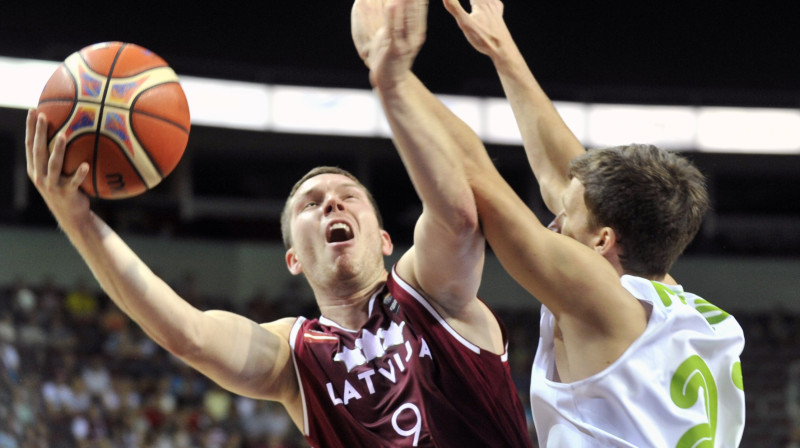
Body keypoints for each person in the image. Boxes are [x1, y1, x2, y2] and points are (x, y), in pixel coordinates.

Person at [24, 6, 531, 446]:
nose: (332, 204)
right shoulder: (294, 356)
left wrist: (393, 87)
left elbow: (459, 218)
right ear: (293, 258)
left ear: (383, 238)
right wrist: (80, 222)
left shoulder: (430, 292)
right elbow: (189, 335)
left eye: (348, 196)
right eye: (311, 205)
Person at [432, 0, 745, 445]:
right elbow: (567, 179)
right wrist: (502, 51)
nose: (553, 223)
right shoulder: (681, 306)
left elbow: (473, 173)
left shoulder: (599, 306)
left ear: (603, 240)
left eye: (565, 215)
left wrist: (391, 74)